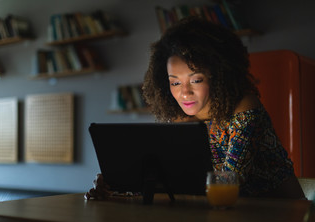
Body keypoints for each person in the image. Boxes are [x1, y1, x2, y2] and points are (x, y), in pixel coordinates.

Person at [85, 16, 304, 200]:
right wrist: (118, 187)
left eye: (196, 80)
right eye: (175, 82)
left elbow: (229, 182)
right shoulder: (179, 119)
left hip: (282, 216)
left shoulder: (245, 109)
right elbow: (171, 182)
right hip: (227, 218)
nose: (184, 93)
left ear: (218, 76)